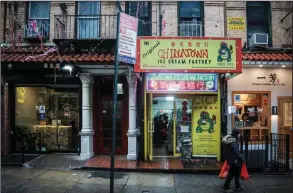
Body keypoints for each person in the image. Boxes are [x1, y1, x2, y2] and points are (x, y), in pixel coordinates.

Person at [222, 128, 245, 192]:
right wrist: (241, 158)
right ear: (237, 134)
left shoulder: (227, 138)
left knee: (237, 173)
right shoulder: (233, 140)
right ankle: (225, 188)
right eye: (239, 134)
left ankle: (237, 186)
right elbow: (235, 151)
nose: (239, 135)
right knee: (231, 174)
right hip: (234, 159)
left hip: (230, 158)